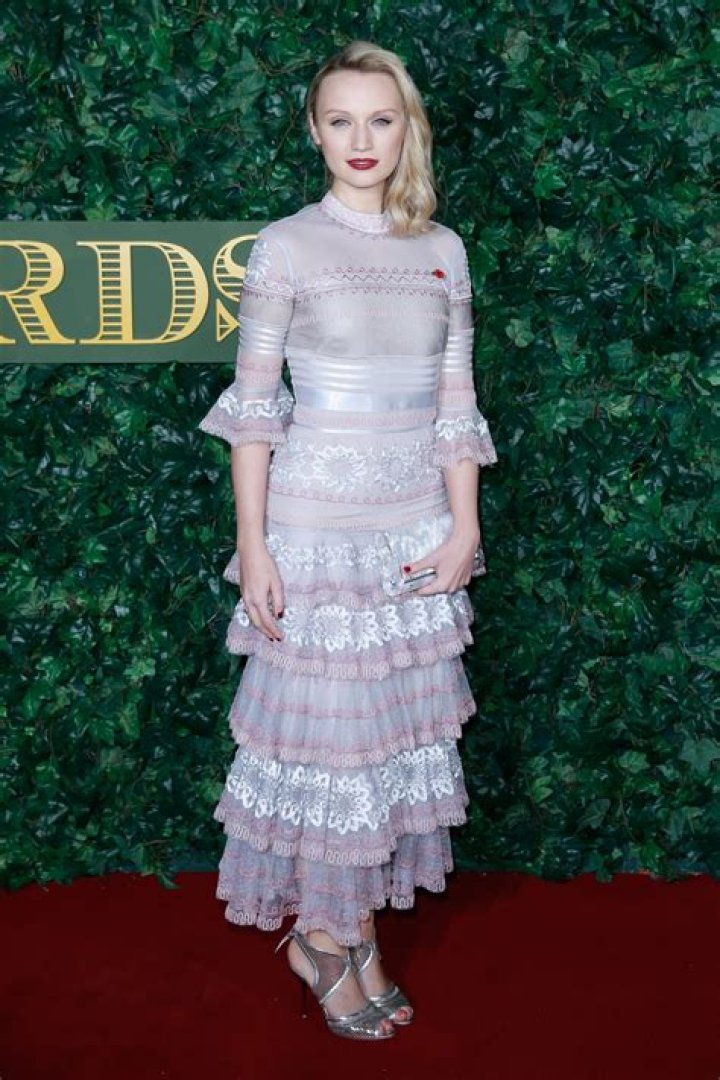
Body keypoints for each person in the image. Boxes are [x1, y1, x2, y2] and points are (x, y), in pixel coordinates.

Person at [197, 39, 498, 1041]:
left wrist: (465, 526)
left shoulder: (444, 249)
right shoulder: (286, 247)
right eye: (340, 120)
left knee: (386, 753)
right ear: (315, 131)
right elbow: (253, 411)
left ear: (407, 129)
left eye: (381, 118)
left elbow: (456, 400)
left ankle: (346, 933)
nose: (361, 139)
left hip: (414, 538)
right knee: (333, 754)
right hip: (315, 538)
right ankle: (327, 939)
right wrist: (255, 549)